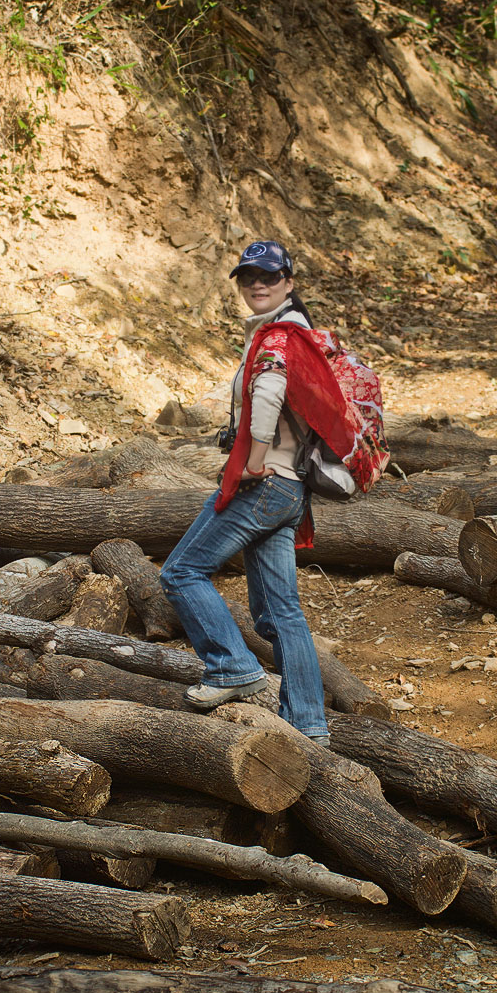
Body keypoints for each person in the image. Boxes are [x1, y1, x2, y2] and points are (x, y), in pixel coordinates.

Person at [160, 239, 331, 746]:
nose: (258, 284)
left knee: (181, 572)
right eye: (248, 277)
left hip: (267, 483)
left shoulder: (278, 338)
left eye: (269, 276)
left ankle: (232, 666)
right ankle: (309, 724)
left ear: (289, 283)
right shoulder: (290, 332)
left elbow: (269, 393)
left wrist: (253, 460)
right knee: (282, 613)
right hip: (289, 491)